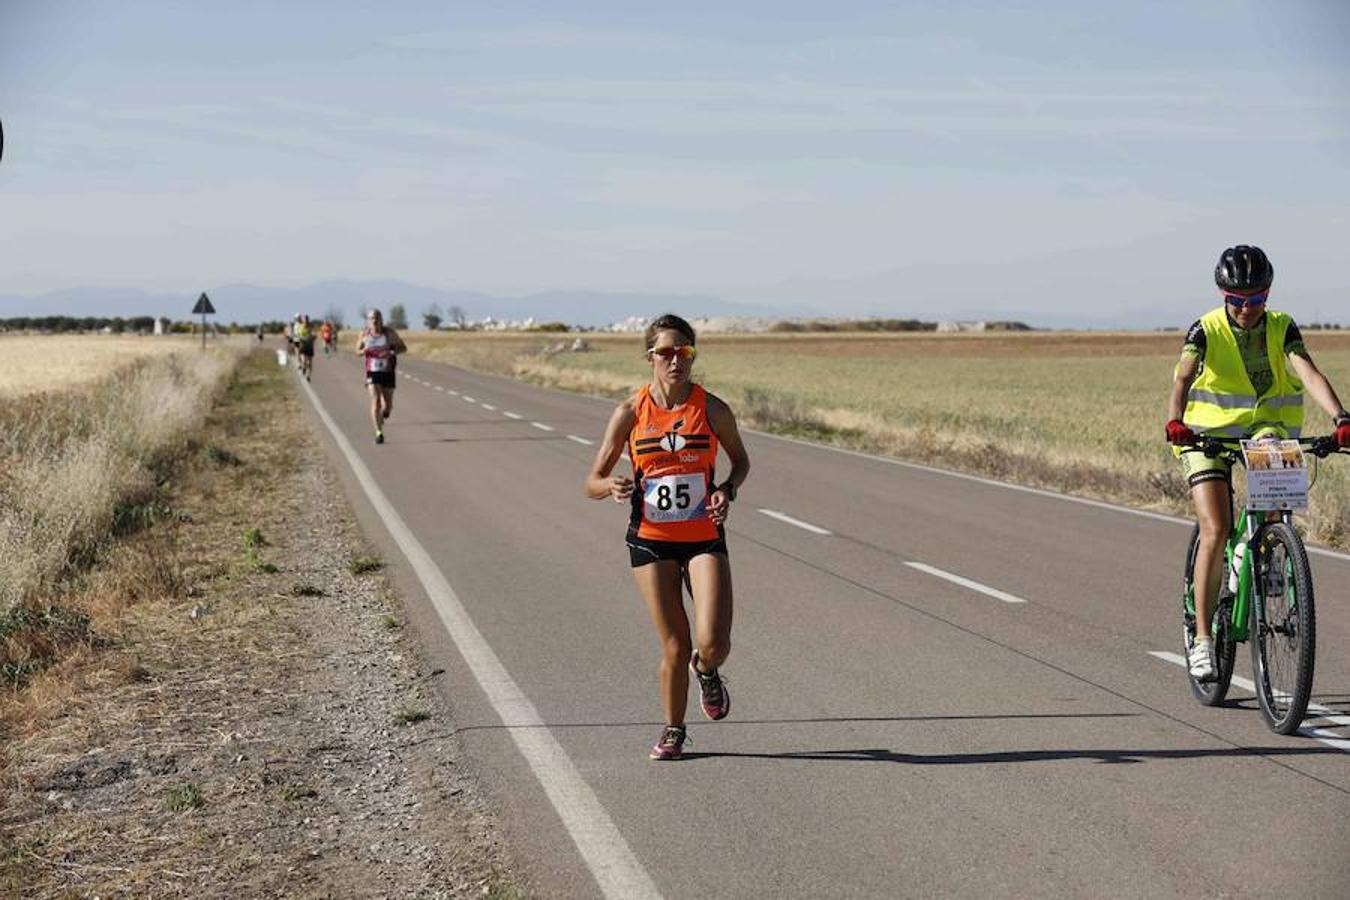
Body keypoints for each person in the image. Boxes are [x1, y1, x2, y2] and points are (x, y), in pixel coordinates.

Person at [1165, 245, 1350, 681]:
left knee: (1274, 503)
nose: (1247, 308)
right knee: (1216, 527)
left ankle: (1261, 549)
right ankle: (1205, 640)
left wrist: (1341, 416)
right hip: (1205, 434)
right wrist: (1175, 420)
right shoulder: (1205, 329)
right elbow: (1183, 377)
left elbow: (1306, 370)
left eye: (1256, 299)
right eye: (1237, 300)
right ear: (1222, 295)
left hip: (1266, 429)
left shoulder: (1282, 326)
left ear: (1268, 295)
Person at [584, 314, 750, 760]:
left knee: (713, 640)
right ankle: (674, 729)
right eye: (666, 352)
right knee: (674, 644)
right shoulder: (630, 412)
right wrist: (611, 486)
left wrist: (726, 488)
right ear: (650, 357)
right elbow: (592, 481)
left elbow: (741, 462)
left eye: (685, 352)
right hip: (650, 539)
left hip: (703, 536)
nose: (676, 360)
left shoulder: (712, 409)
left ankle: (708, 670)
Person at [356, 308, 407, 444]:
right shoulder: (364, 334)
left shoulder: (389, 333)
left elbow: (403, 348)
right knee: (376, 401)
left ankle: (385, 413)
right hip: (372, 371)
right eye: (372, 318)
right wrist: (363, 351)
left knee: (387, 406)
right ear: (368, 321)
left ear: (381, 319)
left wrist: (390, 353)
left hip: (388, 370)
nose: (375, 320)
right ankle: (379, 433)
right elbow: (357, 351)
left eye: (377, 317)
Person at [294, 314, 316, 381]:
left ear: (308, 320)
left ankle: (308, 376)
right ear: (303, 320)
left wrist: (313, 338)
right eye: (304, 319)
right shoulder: (300, 326)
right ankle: (304, 367)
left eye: (306, 319)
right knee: (304, 360)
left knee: (310, 362)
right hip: (303, 345)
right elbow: (298, 335)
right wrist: (301, 338)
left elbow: (315, 335)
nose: (305, 320)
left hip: (310, 346)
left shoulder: (311, 326)